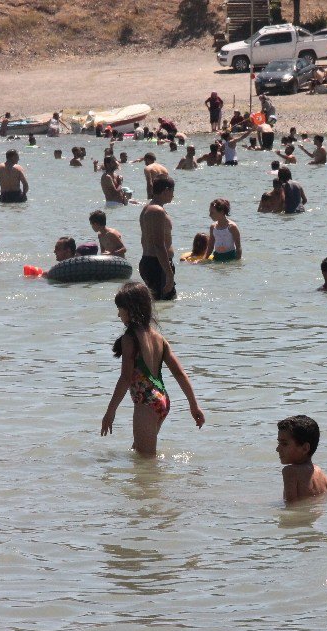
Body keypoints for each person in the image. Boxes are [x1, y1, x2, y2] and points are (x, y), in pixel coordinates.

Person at [101, 282, 205, 456]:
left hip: (146, 402)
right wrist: (194, 405)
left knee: (146, 462)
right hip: (161, 400)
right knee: (138, 454)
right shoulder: (159, 338)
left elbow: (126, 378)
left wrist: (110, 412)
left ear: (131, 309)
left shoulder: (130, 339)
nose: (118, 314)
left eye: (120, 309)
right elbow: (179, 373)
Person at [277, 415, 327, 502]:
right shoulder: (319, 472)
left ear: (305, 448)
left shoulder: (290, 472)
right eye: (279, 443)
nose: (278, 449)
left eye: (284, 444)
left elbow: (290, 506)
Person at [139, 176, 177, 300]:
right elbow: (158, 245)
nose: (173, 195)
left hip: (155, 263)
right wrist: (169, 275)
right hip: (157, 264)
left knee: (165, 304)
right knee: (162, 305)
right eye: (172, 191)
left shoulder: (149, 208)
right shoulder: (157, 211)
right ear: (166, 190)